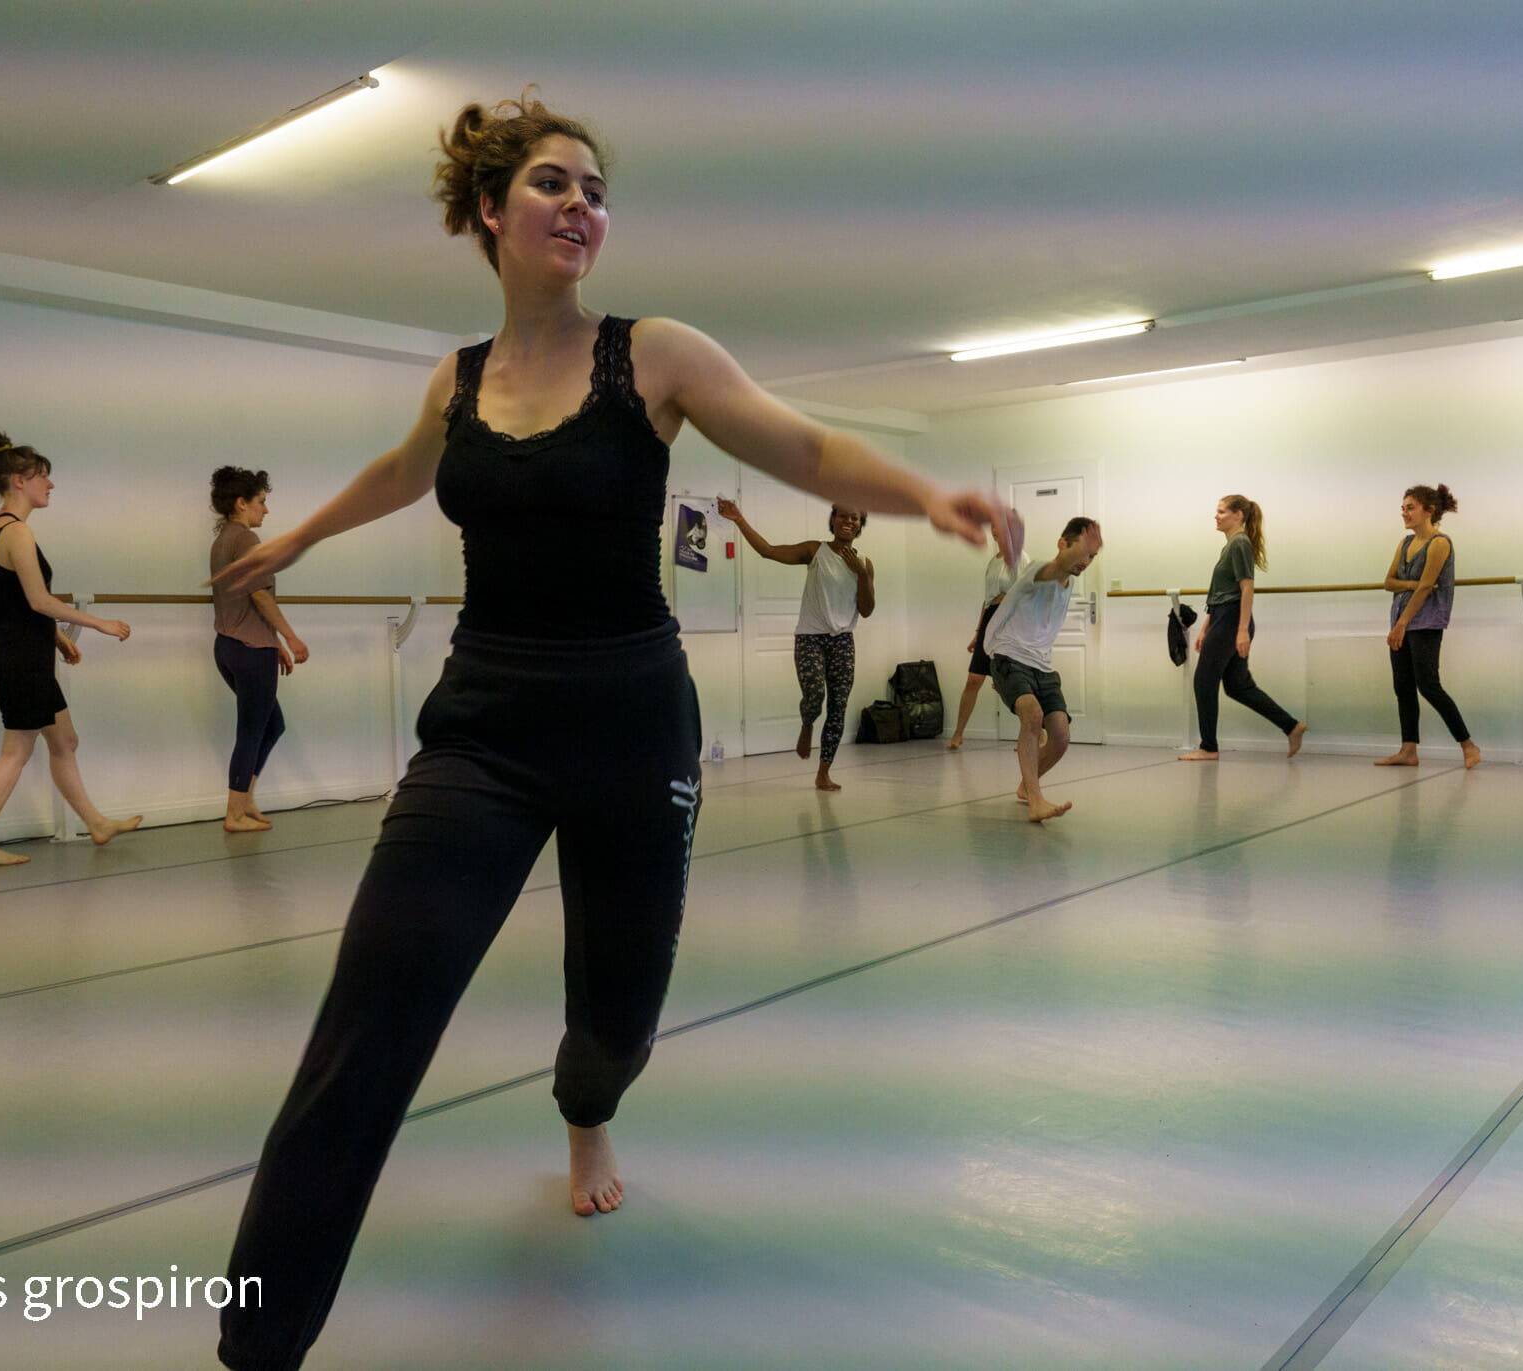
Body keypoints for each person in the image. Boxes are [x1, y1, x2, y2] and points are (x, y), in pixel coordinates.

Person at [207, 92, 1016, 1371]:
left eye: (595, 189)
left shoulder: (655, 356)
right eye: (552, 182)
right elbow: (408, 469)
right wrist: (297, 537)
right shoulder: (457, 379)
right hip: (481, 731)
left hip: (635, 728)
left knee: (618, 1024)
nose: (582, 204)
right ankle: (254, 1348)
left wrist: (923, 492)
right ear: (490, 211)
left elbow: (804, 446)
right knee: (365, 1030)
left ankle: (586, 1110)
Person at [0, 430, 141, 866]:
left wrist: (57, 638)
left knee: (65, 741)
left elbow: (13, 601)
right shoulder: (16, 532)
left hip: (20, 650)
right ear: (19, 481)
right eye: (43, 476)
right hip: (20, 657)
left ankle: (96, 824)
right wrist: (98, 623)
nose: (51, 484)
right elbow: (39, 600)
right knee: (17, 752)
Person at [716, 498, 873, 790]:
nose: (848, 521)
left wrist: (861, 574)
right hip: (810, 637)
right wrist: (739, 519)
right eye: (842, 516)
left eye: (854, 518)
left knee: (838, 707)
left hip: (843, 641)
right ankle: (807, 723)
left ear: (860, 524)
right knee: (814, 694)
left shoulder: (864, 563)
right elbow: (768, 551)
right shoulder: (815, 551)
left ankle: (823, 773)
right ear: (833, 520)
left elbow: (866, 610)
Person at [209, 466, 310, 832]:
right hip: (250, 651)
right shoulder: (247, 540)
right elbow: (260, 595)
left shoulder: (223, 540)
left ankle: (245, 799)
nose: (265, 510)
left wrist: (275, 642)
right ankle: (234, 814)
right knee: (252, 731)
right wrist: (291, 638)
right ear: (241, 503)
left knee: (272, 725)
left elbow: (243, 601)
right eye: (261, 502)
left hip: (230, 647)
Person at [982, 517, 1102, 821]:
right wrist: (999, 669)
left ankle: (1026, 785)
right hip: (1009, 654)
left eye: (1091, 556)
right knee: (1033, 715)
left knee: (1061, 736)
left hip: (1040, 665)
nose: (1086, 561)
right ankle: (1036, 800)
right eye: (1082, 551)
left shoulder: (1069, 584)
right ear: (1062, 544)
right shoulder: (1037, 570)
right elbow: (1054, 570)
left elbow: (1044, 626)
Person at [1178, 495, 1305, 761]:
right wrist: (1205, 628)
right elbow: (1221, 593)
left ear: (1238, 515)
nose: (1216, 516)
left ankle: (1208, 747)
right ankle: (1291, 726)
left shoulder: (1239, 543)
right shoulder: (1231, 545)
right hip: (1223, 619)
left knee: (1204, 681)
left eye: (1222, 511)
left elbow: (1246, 588)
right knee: (1237, 686)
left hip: (1231, 621)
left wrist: (1242, 630)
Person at [1375, 484, 1480, 769]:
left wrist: (1402, 623)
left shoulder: (1440, 543)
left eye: (1410, 508)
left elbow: (1426, 589)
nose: (1404, 513)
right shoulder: (1405, 543)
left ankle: (1468, 744)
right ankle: (1408, 750)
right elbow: (1390, 582)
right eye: (1402, 508)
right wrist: (1411, 585)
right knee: (1403, 686)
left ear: (1428, 510)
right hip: (1401, 621)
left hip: (1425, 622)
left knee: (1429, 685)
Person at [948, 549, 1019, 748]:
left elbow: (1025, 596)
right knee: (974, 679)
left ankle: (1038, 734)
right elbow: (987, 601)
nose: (996, 534)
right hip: (990, 618)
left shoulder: (1020, 558)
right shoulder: (993, 562)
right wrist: (978, 633)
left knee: (1013, 682)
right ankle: (958, 734)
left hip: (1009, 620)